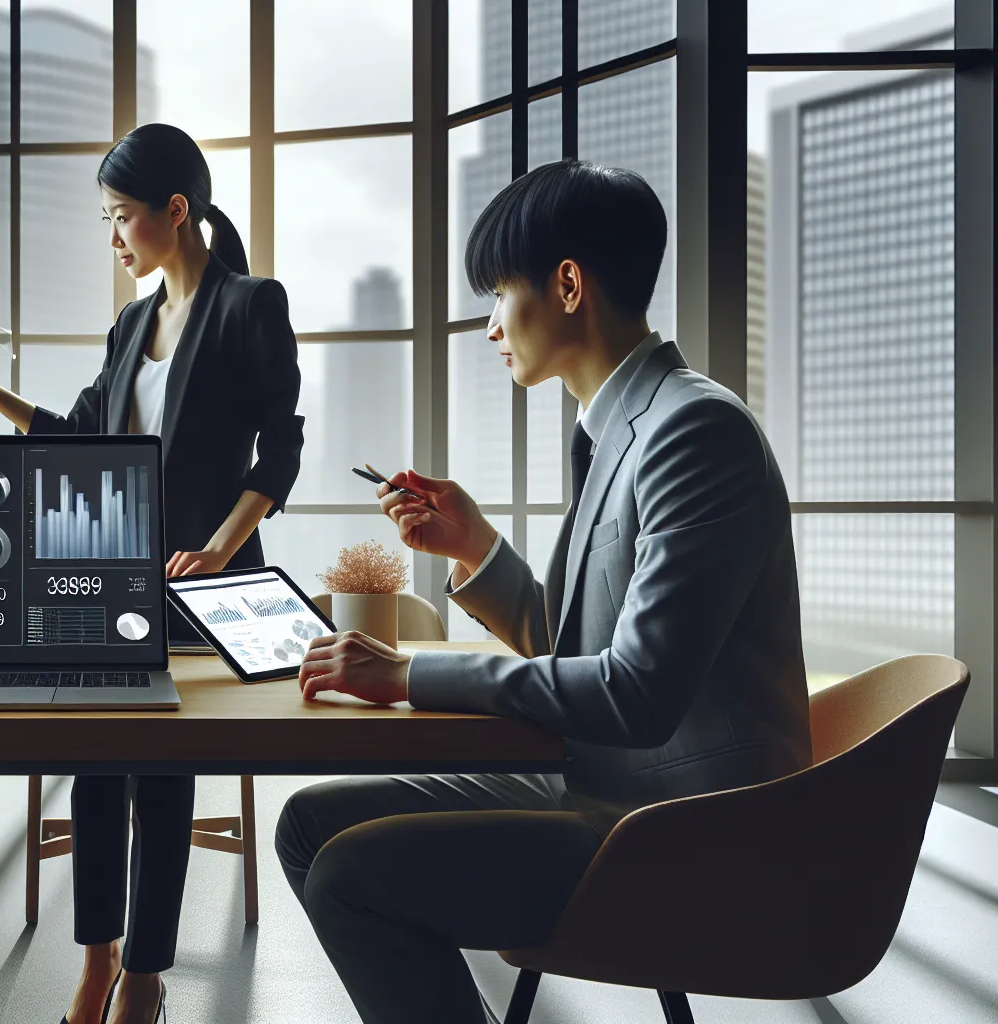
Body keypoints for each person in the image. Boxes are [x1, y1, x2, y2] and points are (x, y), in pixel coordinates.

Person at [274, 161, 812, 1024]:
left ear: (567, 285)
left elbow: (634, 694)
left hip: (682, 831)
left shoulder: (692, 432)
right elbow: (583, 652)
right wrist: (475, 547)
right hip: (610, 786)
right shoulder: (620, 431)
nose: (491, 326)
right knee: (309, 824)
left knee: (346, 872)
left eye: (498, 294)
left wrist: (404, 676)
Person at [0, 123, 303, 1024]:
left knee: (163, 772)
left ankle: (146, 973)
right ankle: (97, 960)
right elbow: (80, 434)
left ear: (175, 211)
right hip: (106, 578)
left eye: (121, 217)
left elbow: (282, 448)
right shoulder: (132, 321)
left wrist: (222, 547)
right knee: (95, 766)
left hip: (200, 586)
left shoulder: (250, 305)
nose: (112, 237)